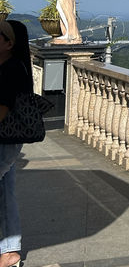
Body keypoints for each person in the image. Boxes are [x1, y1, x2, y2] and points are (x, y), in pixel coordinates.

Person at [0, 20, 32, 267]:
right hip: (8, 141)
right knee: (5, 192)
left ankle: (10, 251)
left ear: (9, 43)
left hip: (5, 141)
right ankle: (10, 251)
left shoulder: (11, 69)